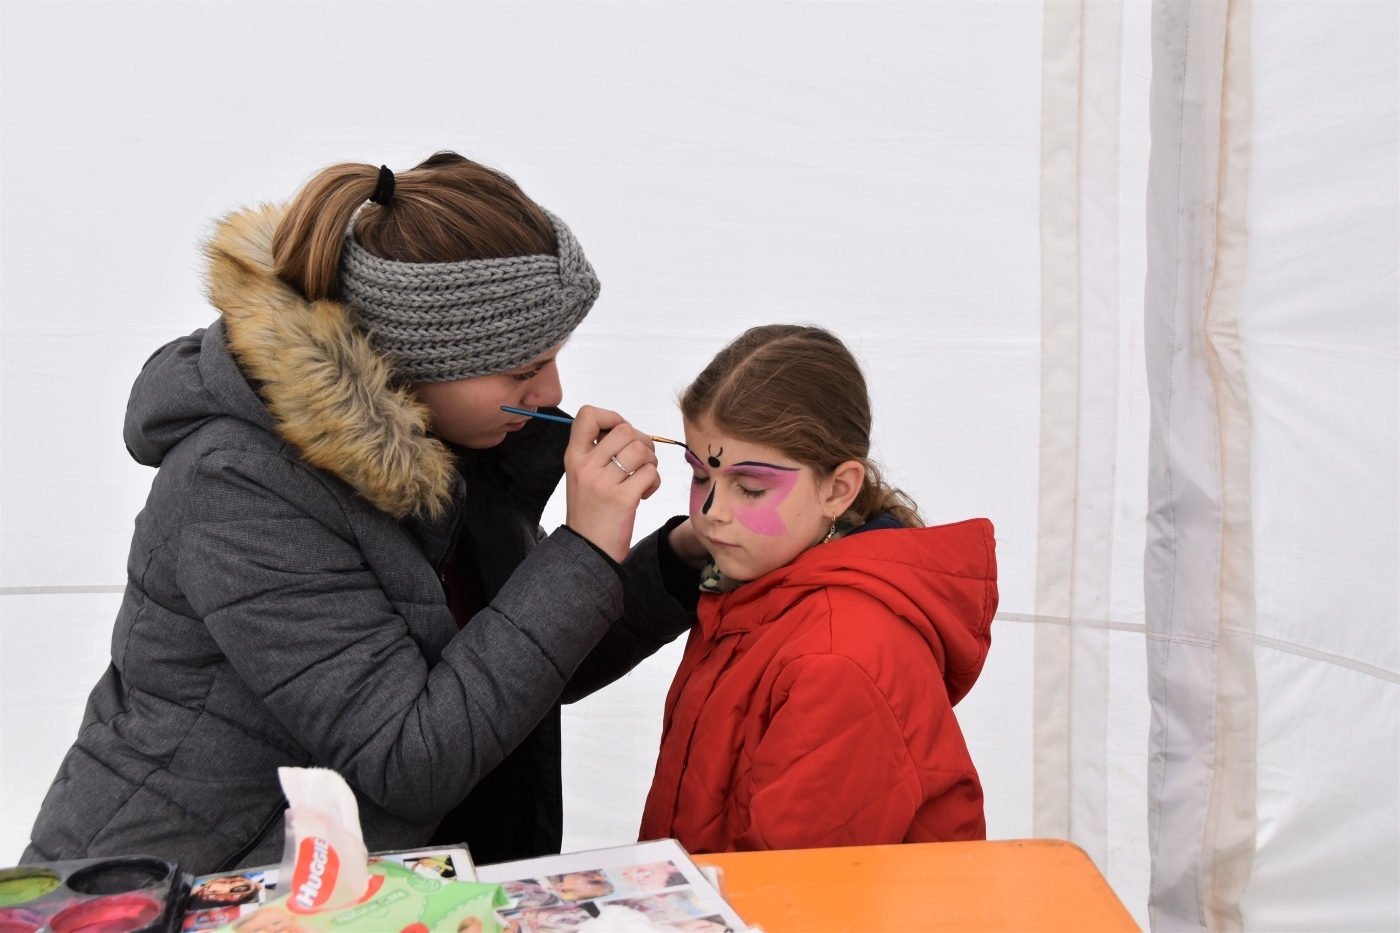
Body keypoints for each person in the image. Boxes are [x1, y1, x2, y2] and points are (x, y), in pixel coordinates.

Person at [22, 152, 698, 873]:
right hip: (178, 888)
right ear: (416, 356)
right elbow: (410, 754)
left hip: (342, 885)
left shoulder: (456, 448)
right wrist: (584, 549)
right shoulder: (237, 487)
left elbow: (515, 664)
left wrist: (680, 559)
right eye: (523, 368)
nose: (551, 390)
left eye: (556, 357)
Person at [638, 325, 997, 852]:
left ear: (838, 488)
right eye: (699, 477)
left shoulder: (840, 656)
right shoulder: (750, 587)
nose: (711, 513)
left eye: (751, 488)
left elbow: (789, 890)